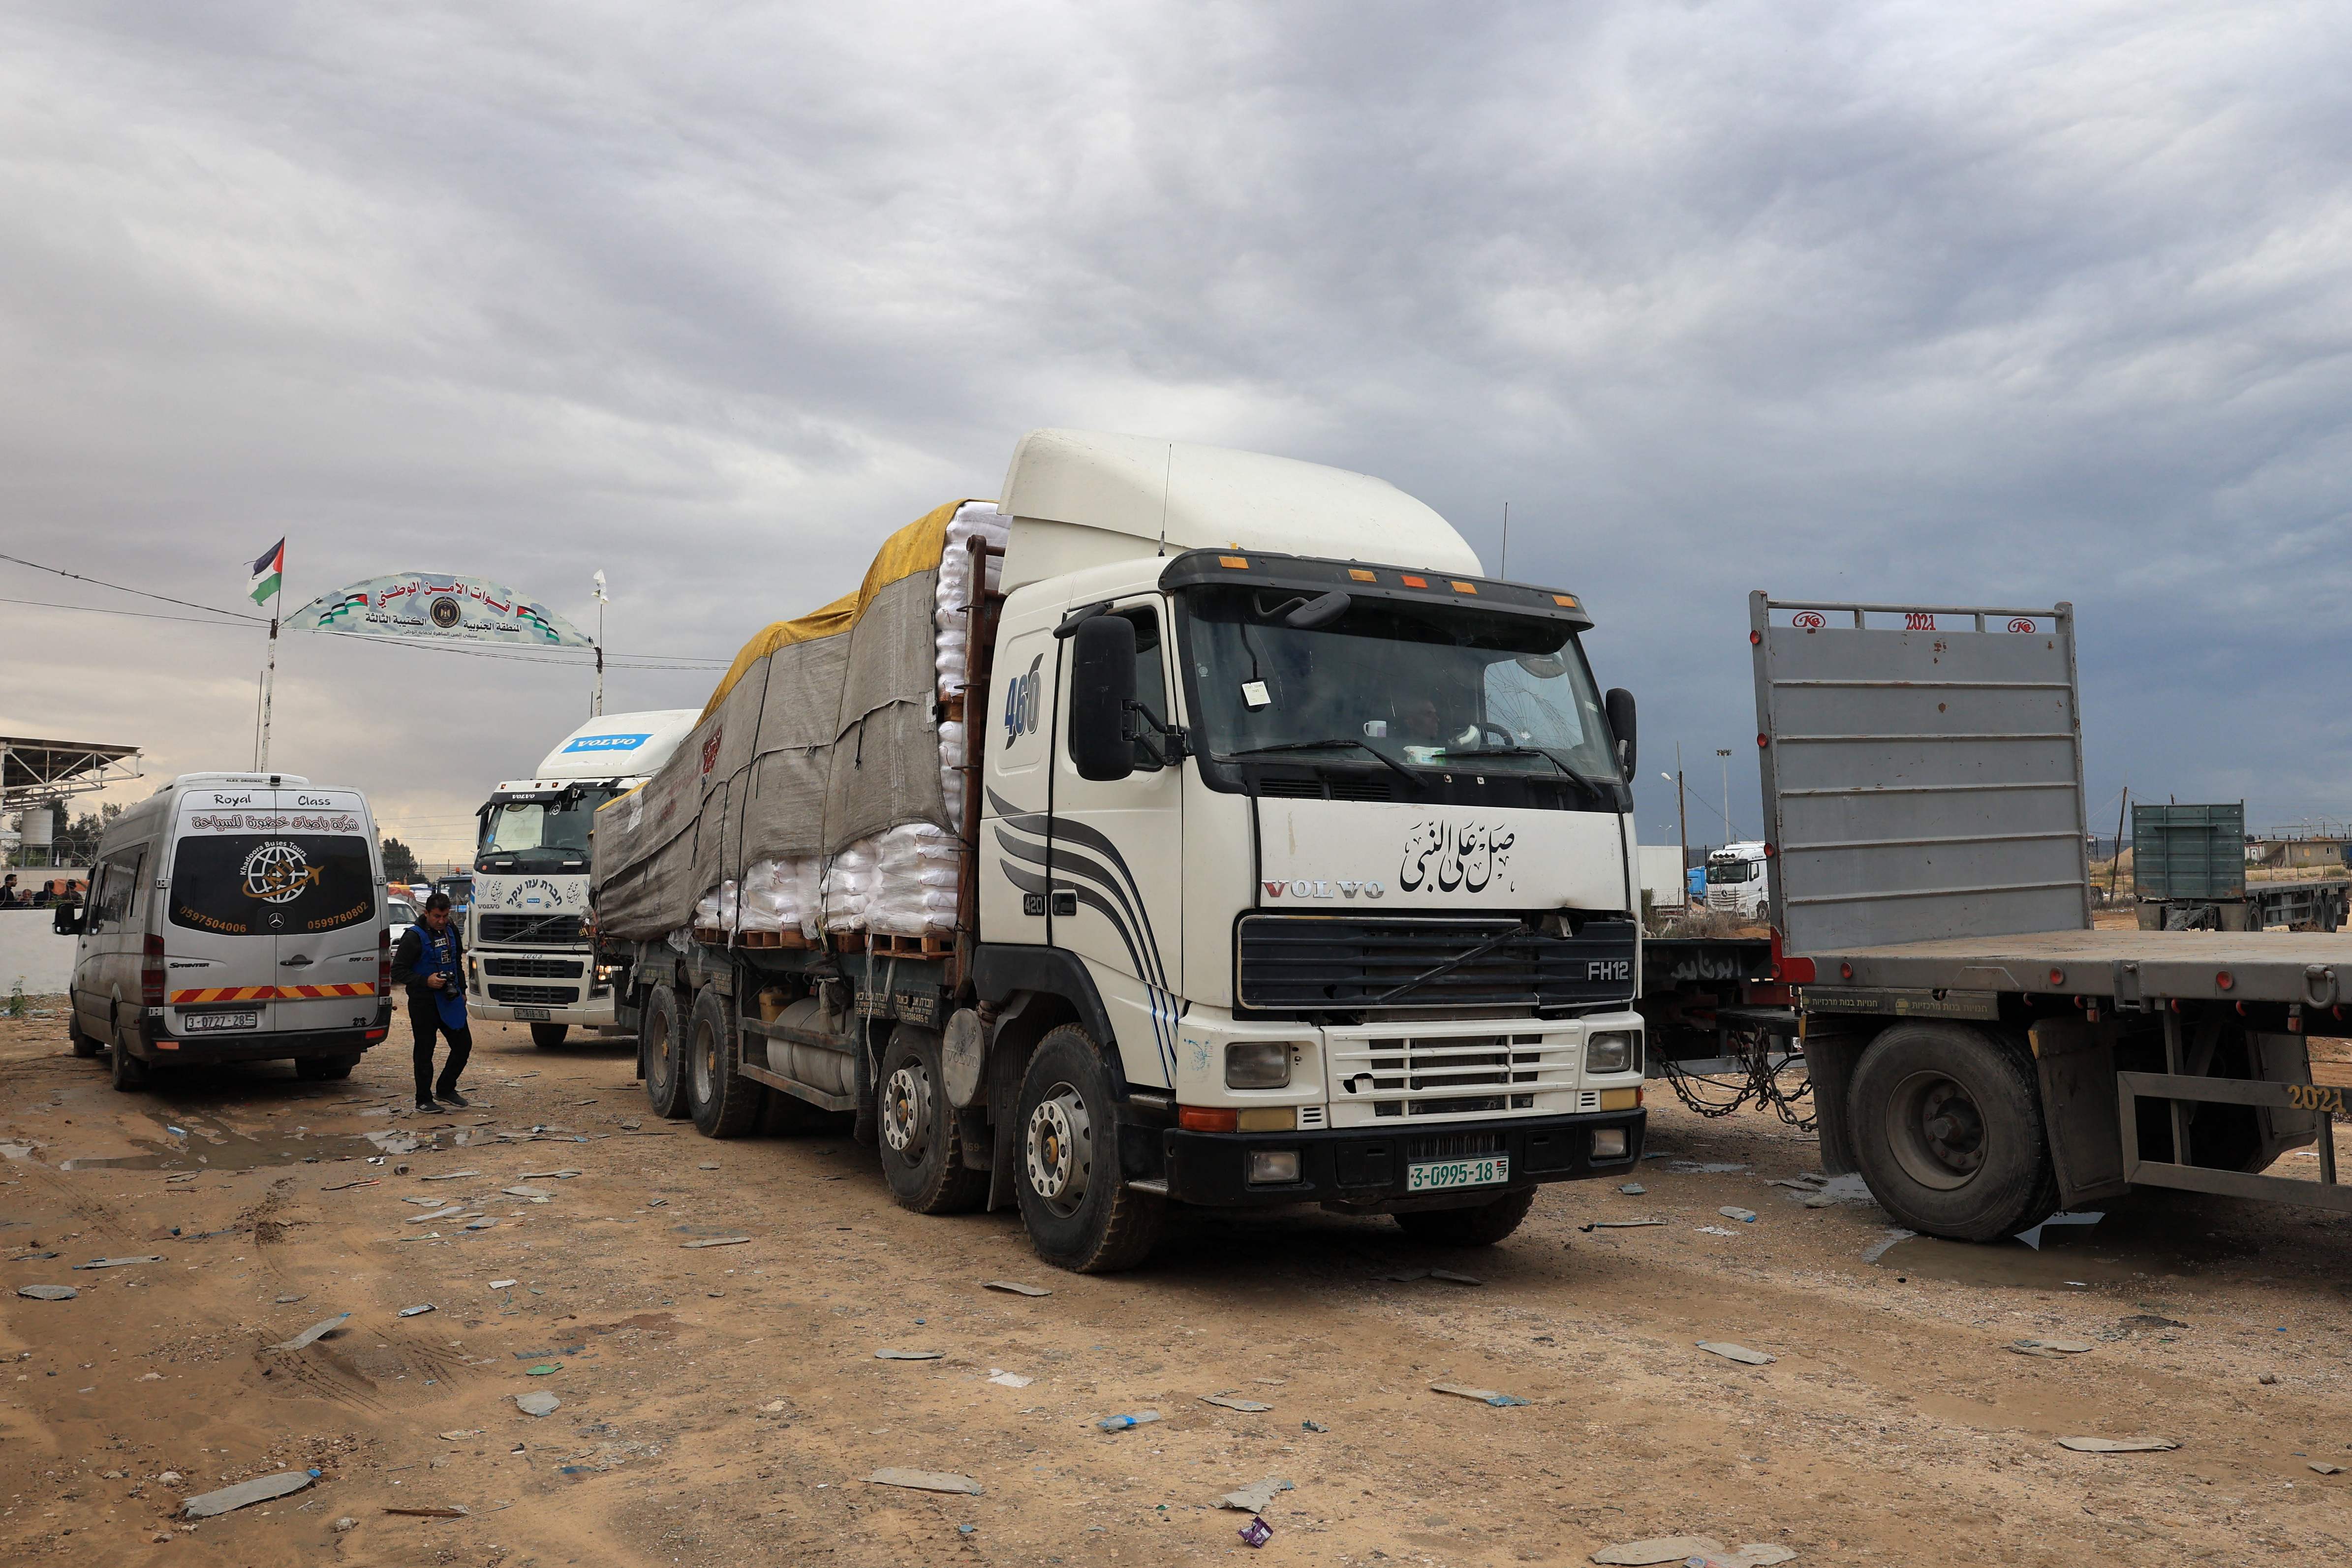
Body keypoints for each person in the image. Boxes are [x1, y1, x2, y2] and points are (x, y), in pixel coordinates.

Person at [390, 891, 471, 1112]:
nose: (441, 921)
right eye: (437, 916)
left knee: (463, 1045)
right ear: (426, 913)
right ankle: (423, 1099)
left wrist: (462, 990)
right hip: (423, 1002)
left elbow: (456, 961)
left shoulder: (451, 930)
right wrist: (425, 980)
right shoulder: (413, 937)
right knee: (425, 1050)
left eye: (445, 916)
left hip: (450, 998)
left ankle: (446, 1088)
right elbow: (397, 971)